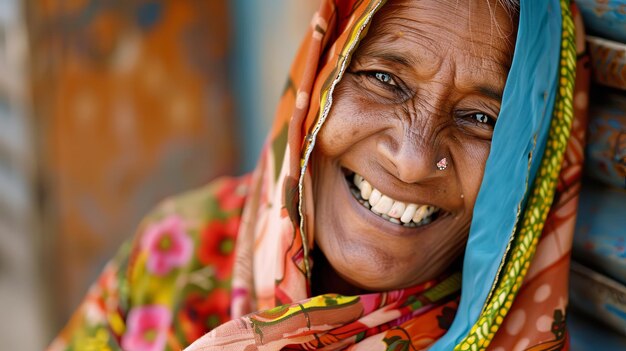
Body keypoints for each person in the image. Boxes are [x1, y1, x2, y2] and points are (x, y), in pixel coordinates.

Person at [49, 0, 590, 350]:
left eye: (481, 119)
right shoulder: (183, 250)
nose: (412, 158)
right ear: (319, 76)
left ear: (530, 162)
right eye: (385, 79)